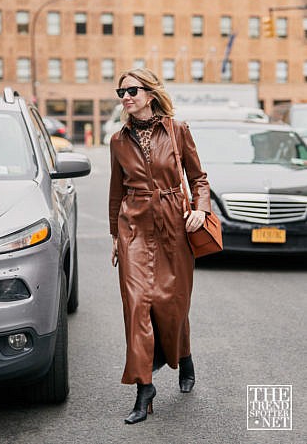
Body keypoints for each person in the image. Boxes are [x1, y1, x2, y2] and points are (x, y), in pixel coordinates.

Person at [109, 68, 211, 425]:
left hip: (174, 222)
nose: (125, 96)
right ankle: (144, 388)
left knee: (172, 301)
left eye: (132, 90)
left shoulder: (177, 130)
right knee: (137, 304)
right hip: (133, 225)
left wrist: (201, 209)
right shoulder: (118, 140)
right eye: (121, 91)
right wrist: (114, 238)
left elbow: (198, 178)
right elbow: (115, 192)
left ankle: (184, 355)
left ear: (149, 94)